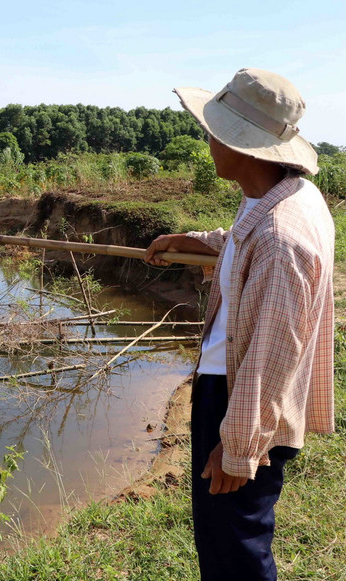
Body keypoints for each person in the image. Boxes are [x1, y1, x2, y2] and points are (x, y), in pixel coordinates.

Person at [143, 68, 335, 580]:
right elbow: (242, 236)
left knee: (235, 549)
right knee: (228, 537)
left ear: (243, 145)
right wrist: (197, 241)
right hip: (232, 391)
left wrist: (239, 445)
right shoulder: (279, 195)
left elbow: (274, 351)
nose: (207, 140)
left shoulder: (282, 238)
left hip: (241, 401)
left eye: (214, 131)